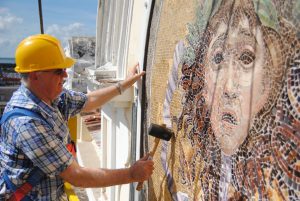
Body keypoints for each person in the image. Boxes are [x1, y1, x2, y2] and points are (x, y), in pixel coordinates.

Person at [160, 0, 299, 200]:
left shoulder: (279, 185)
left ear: (269, 82)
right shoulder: (199, 169)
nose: (228, 88)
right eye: (217, 59)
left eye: (246, 59)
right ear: (203, 80)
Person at [0, 34, 154, 200]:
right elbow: (77, 176)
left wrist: (125, 84)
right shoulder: (27, 124)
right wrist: (132, 174)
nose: (65, 76)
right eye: (59, 71)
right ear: (35, 75)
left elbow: (89, 101)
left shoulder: (51, 97)